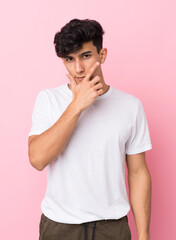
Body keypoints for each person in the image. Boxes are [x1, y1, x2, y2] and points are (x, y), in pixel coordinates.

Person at [28, 18, 152, 240]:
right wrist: (77, 105)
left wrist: (143, 234)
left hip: (111, 228)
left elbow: (137, 172)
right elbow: (37, 159)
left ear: (102, 55)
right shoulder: (49, 100)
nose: (78, 68)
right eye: (69, 59)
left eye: (86, 56)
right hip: (60, 227)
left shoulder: (130, 106)